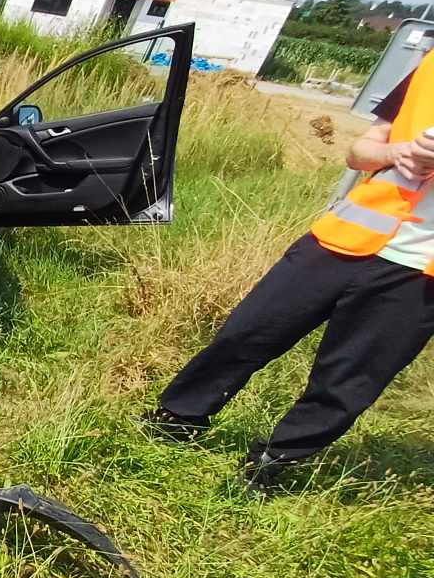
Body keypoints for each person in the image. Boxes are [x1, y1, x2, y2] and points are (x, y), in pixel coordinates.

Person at [142, 48, 434, 493]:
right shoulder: (429, 65)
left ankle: (271, 465)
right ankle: (176, 419)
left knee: (348, 380)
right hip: (343, 239)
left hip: (421, 274)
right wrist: (399, 153)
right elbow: (360, 152)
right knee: (249, 330)